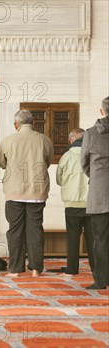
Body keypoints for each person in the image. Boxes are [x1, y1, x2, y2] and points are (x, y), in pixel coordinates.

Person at [0, 110, 53, 277]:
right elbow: (47, 162)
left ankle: (15, 269)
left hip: (14, 192)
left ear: (16, 125)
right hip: (37, 191)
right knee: (35, 229)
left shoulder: (8, 140)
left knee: (15, 230)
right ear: (33, 122)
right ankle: (36, 269)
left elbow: (1, 163)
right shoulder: (44, 139)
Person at [56, 128, 94, 276]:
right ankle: (96, 269)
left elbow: (59, 180)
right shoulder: (92, 155)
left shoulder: (66, 156)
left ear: (71, 140)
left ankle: (72, 268)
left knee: (72, 238)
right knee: (92, 238)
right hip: (91, 204)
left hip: (72, 204)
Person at [81, 96, 109, 289]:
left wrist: (98, 177)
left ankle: (101, 281)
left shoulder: (90, 134)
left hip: (100, 194)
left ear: (101, 111)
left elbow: (84, 163)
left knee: (100, 240)